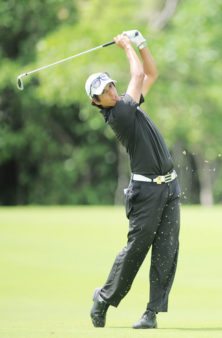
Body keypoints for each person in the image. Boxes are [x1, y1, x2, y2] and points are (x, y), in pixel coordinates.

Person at [85, 30, 180, 329]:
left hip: (169, 187)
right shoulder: (120, 115)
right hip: (145, 192)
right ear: (97, 102)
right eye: (104, 92)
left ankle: (151, 313)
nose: (111, 92)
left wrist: (142, 44)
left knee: (166, 249)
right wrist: (127, 45)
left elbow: (150, 72)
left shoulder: (128, 103)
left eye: (111, 86)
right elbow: (137, 73)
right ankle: (103, 297)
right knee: (137, 249)